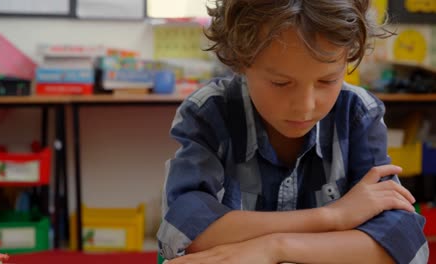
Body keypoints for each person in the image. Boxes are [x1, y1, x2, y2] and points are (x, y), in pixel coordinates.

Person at [157, 0, 429, 263]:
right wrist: (332, 217)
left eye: (327, 80)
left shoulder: (357, 113)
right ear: (241, 61)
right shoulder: (209, 111)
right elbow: (185, 230)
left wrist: (275, 247)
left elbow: (404, 243)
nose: (305, 106)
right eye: (281, 82)